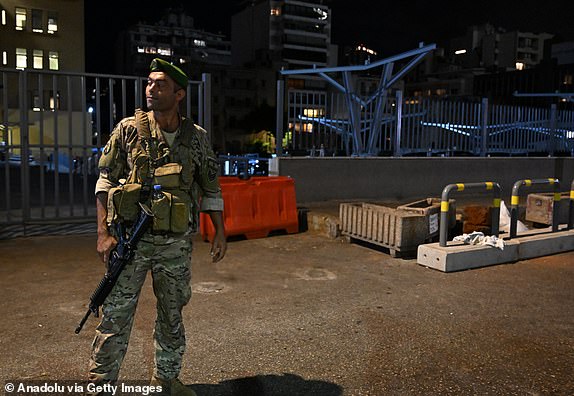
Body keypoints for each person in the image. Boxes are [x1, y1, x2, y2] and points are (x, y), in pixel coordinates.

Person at [87, 58, 227, 396]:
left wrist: (220, 231)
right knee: (115, 317)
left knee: (171, 315)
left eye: (160, 83)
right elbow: (105, 182)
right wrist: (103, 233)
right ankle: (100, 384)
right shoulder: (128, 130)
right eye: (149, 82)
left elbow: (210, 189)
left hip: (175, 244)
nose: (151, 88)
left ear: (179, 94)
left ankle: (166, 380)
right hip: (129, 241)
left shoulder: (196, 139)